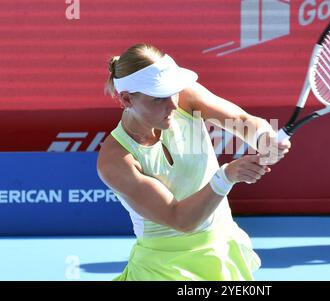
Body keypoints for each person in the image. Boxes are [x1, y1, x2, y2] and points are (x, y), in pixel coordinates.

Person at [97, 43, 291, 281]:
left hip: (221, 249)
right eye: (159, 98)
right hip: (163, 269)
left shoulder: (185, 97)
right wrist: (226, 176)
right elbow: (181, 219)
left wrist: (264, 138)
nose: (174, 105)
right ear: (126, 99)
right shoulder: (114, 160)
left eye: (173, 92)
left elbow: (242, 120)